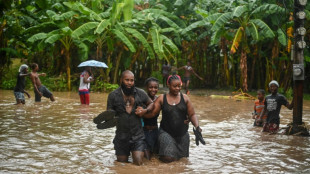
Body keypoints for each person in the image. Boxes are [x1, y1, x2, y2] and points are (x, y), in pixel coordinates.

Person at [137, 75, 205, 163]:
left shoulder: (185, 98)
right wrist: (141, 114)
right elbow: (152, 113)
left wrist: (197, 127)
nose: (177, 88)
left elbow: (192, 114)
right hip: (166, 132)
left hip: (182, 134)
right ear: (168, 85)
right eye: (174, 86)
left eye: (179, 86)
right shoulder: (162, 98)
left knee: (182, 160)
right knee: (168, 159)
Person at [106, 70, 154, 165]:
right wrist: (109, 119)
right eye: (127, 80)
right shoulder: (113, 96)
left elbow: (151, 103)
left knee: (138, 162)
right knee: (121, 164)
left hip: (137, 136)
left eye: (132, 80)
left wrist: (145, 111)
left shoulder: (140, 93)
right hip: (121, 137)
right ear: (121, 80)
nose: (129, 83)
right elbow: (108, 113)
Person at [143, 77, 160, 159]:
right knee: (147, 158)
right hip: (143, 132)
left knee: (156, 157)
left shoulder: (159, 100)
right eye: (151, 87)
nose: (153, 89)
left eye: (155, 87)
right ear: (146, 87)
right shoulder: (142, 99)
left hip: (156, 131)